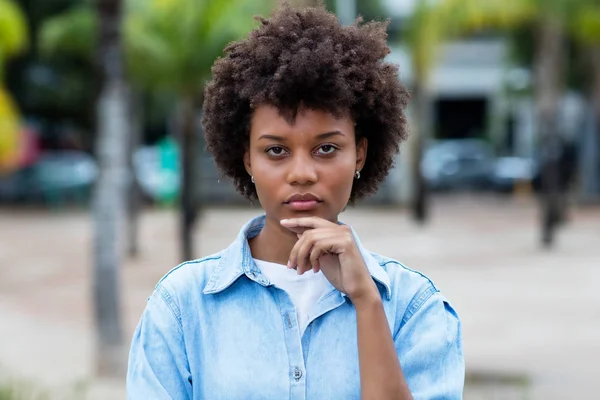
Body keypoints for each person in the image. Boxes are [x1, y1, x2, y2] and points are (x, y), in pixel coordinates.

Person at [127, 4, 464, 399]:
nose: (301, 172)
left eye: (325, 148)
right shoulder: (182, 306)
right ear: (247, 158)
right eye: (275, 151)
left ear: (359, 153)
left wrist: (367, 301)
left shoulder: (413, 308)